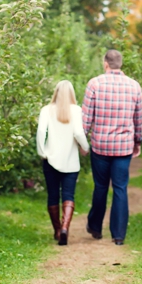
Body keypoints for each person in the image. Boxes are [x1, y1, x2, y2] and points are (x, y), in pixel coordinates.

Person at [81, 49, 142, 246]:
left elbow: (86, 119)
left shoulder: (95, 84)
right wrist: (138, 141)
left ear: (105, 63)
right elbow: (138, 119)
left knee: (100, 187)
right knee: (120, 188)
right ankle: (118, 235)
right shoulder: (134, 86)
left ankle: (95, 227)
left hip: (100, 145)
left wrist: (83, 140)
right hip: (123, 147)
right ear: (120, 63)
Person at [36, 80, 89, 246]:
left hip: (50, 159)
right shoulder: (76, 110)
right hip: (71, 161)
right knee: (68, 195)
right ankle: (65, 227)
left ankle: (57, 230)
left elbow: (40, 131)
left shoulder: (46, 110)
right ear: (71, 93)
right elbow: (79, 133)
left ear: (56, 92)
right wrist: (85, 147)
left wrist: (41, 151)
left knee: (53, 195)